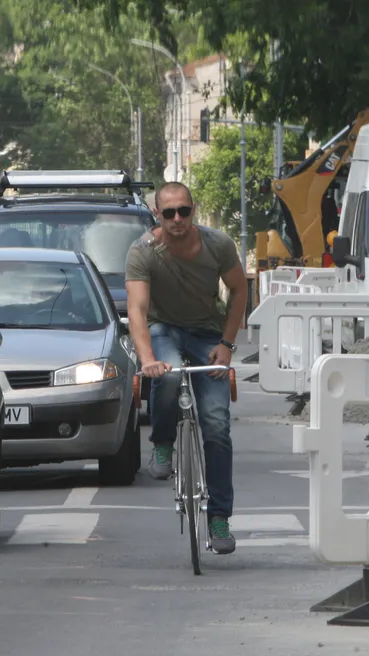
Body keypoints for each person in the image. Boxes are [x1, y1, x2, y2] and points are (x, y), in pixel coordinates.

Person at [124, 181, 249, 555]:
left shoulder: (218, 244)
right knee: (171, 373)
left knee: (217, 426)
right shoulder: (142, 251)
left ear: (193, 211)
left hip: (207, 333)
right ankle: (163, 443)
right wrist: (147, 360)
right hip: (164, 330)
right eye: (169, 213)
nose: (177, 219)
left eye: (184, 211)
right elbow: (138, 310)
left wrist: (226, 345)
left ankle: (219, 519)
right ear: (157, 215)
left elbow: (240, 291)